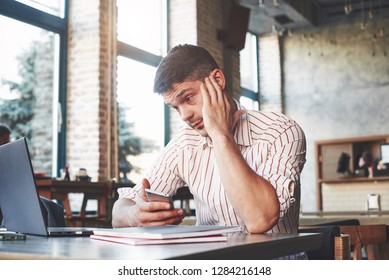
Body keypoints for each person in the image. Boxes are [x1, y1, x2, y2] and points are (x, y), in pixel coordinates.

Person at [112, 44, 306, 252]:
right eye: (176, 107)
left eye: (188, 98)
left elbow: (260, 219)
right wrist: (136, 215)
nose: (184, 115)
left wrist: (220, 135)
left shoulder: (281, 132)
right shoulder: (184, 143)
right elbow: (119, 211)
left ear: (217, 80)